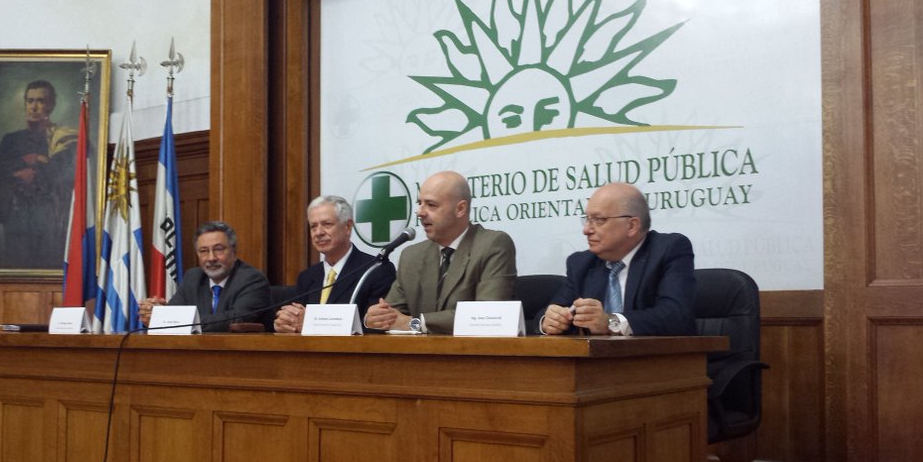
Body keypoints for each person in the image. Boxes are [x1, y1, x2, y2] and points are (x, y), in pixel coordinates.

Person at [364, 170, 517, 334]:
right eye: (420, 203)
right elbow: (391, 315)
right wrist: (374, 318)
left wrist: (414, 323)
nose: (420, 212)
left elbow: (487, 316)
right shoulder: (412, 255)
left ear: (460, 209)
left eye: (431, 205)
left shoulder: (493, 245)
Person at [539, 182, 695, 336]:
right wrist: (550, 321)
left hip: (658, 353)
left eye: (599, 220)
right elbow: (551, 311)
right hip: (597, 353)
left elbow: (675, 316)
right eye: (587, 219)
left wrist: (611, 323)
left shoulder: (668, 250)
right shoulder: (581, 264)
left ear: (632, 226)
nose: (586, 230)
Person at [0, 80, 78, 269]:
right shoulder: (11, 139)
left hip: (48, 210)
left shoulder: (60, 138)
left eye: (40, 101)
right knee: (16, 261)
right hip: (16, 210)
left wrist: (37, 172)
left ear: (51, 105)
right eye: (30, 101)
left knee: (48, 260)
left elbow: (63, 172)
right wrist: (28, 160)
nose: (34, 107)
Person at [273, 195, 397, 333]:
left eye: (327, 224)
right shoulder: (307, 277)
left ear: (348, 227)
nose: (318, 232)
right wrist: (286, 323)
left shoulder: (376, 270)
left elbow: (377, 326)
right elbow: (297, 323)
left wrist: (311, 323)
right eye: (313, 226)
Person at [139, 221, 272, 332]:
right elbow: (173, 314)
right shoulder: (193, 277)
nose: (211, 258)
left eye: (218, 249)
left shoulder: (252, 279)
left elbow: (235, 320)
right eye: (204, 251)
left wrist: (174, 320)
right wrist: (155, 314)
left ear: (234, 252)